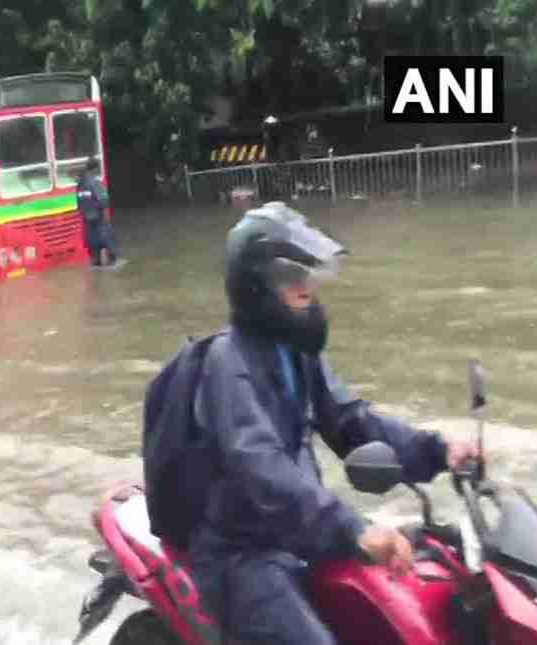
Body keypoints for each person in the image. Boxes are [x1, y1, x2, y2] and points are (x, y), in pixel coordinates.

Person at [174, 202, 481, 645]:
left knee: (421, 592)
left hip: (301, 533)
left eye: (306, 274)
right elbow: (262, 467)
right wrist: (355, 529)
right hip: (243, 553)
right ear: (254, 286)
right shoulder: (228, 363)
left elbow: (352, 422)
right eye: (288, 277)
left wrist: (439, 451)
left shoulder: (297, 352)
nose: (304, 287)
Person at [77, 159, 119, 266]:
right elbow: (103, 200)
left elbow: (79, 203)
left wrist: (84, 213)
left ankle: (96, 261)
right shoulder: (95, 183)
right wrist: (105, 214)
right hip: (98, 217)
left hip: (87, 218)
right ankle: (112, 259)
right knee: (107, 237)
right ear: (95, 169)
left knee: (93, 241)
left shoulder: (80, 185)